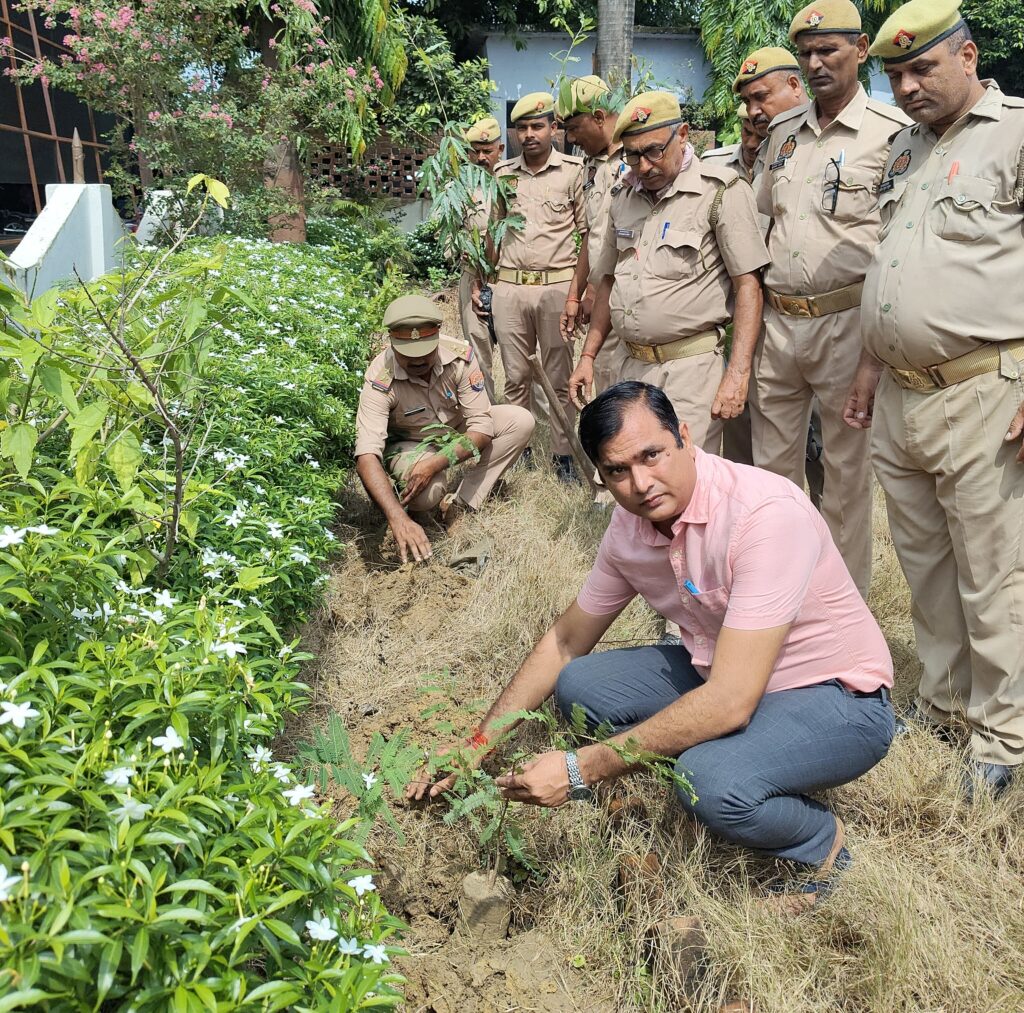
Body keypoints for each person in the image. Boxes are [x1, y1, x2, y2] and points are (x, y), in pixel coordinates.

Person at [409, 382, 895, 909]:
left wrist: (580, 769)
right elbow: (567, 639)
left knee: (708, 780)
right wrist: (476, 748)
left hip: (835, 699)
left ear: (684, 437)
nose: (641, 483)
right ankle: (687, 772)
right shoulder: (631, 526)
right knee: (581, 685)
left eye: (652, 456)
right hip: (720, 674)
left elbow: (732, 700)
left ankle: (821, 846)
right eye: (618, 470)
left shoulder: (763, 514)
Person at [846, 0, 1024, 797]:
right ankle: (948, 703)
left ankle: (1005, 739)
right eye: (894, 73)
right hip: (901, 398)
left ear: (968, 56)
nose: (907, 85)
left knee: (995, 574)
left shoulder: (1014, 133)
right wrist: (868, 369)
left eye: (921, 68)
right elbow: (891, 269)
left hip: (985, 390)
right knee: (926, 568)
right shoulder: (904, 149)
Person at [747, 1, 911, 598]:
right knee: (773, 477)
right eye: (807, 54)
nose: (815, 63)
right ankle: (775, 603)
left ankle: (842, 612)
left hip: (848, 324)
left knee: (845, 480)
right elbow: (761, 217)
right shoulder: (784, 135)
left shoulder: (894, 134)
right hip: (779, 324)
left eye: (829, 51)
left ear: (862, 50)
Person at [568, 92, 769, 455]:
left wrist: (737, 376)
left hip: (689, 371)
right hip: (630, 367)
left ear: (683, 135)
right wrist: (588, 357)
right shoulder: (622, 197)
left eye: (653, 151)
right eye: (632, 155)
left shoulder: (719, 192)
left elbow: (748, 287)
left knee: (687, 476)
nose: (643, 166)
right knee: (635, 472)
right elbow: (609, 280)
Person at [354, 295, 534, 563]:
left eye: (426, 351)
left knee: (519, 421)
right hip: (412, 443)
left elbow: (481, 428)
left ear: (437, 335)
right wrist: (397, 518)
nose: (418, 361)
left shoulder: (459, 357)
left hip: (454, 430)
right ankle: (415, 506)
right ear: (392, 341)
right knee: (427, 495)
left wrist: (437, 463)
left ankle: (460, 504)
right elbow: (367, 456)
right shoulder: (380, 378)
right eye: (408, 355)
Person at [733, 48, 827, 502]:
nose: (754, 112)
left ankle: (840, 569)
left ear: (795, 85)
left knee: (839, 464)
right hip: (778, 321)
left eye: (761, 97)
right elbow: (762, 224)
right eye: (748, 103)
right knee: (775, 464)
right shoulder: (776, 145)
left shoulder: (882, 135)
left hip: (841, 318)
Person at [486, 92, 587, 483]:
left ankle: (563, 456)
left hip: (556, 288)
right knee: (515, 377)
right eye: (522, 128)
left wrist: (578, 294)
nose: (529, 134)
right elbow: (494, 234)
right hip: (510, 288)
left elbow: (587, 236)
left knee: (560, 378)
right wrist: (487, 280)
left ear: (553, 129)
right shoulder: (502, 175)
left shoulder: (573, 172)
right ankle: (519, 450)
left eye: (537, 126)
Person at [555, 75, 628, 394]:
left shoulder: (637, 158)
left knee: (622, 390)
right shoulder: (592, 164)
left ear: (598, 117)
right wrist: (577, 293)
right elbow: (592, 235)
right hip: (602, 298)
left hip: (628, 295)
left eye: (573, 128)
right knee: (604, 382)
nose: (570, 138)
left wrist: (598, 293)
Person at [458, 117, 504, 401]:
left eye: (487, 150)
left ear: (500, 148)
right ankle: (485, 418)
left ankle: (537, 426)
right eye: (476, 151)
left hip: (509, 279)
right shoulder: (461, 189)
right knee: (476, 352)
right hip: (472, 276)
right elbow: (453, 232)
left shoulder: (515, 182)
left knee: (523, 356)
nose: (481, 157)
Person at [700, 103, 763, 184]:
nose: (751, 144)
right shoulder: (712, 163)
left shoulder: (780, 169)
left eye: (761, 137)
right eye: (747, 132)